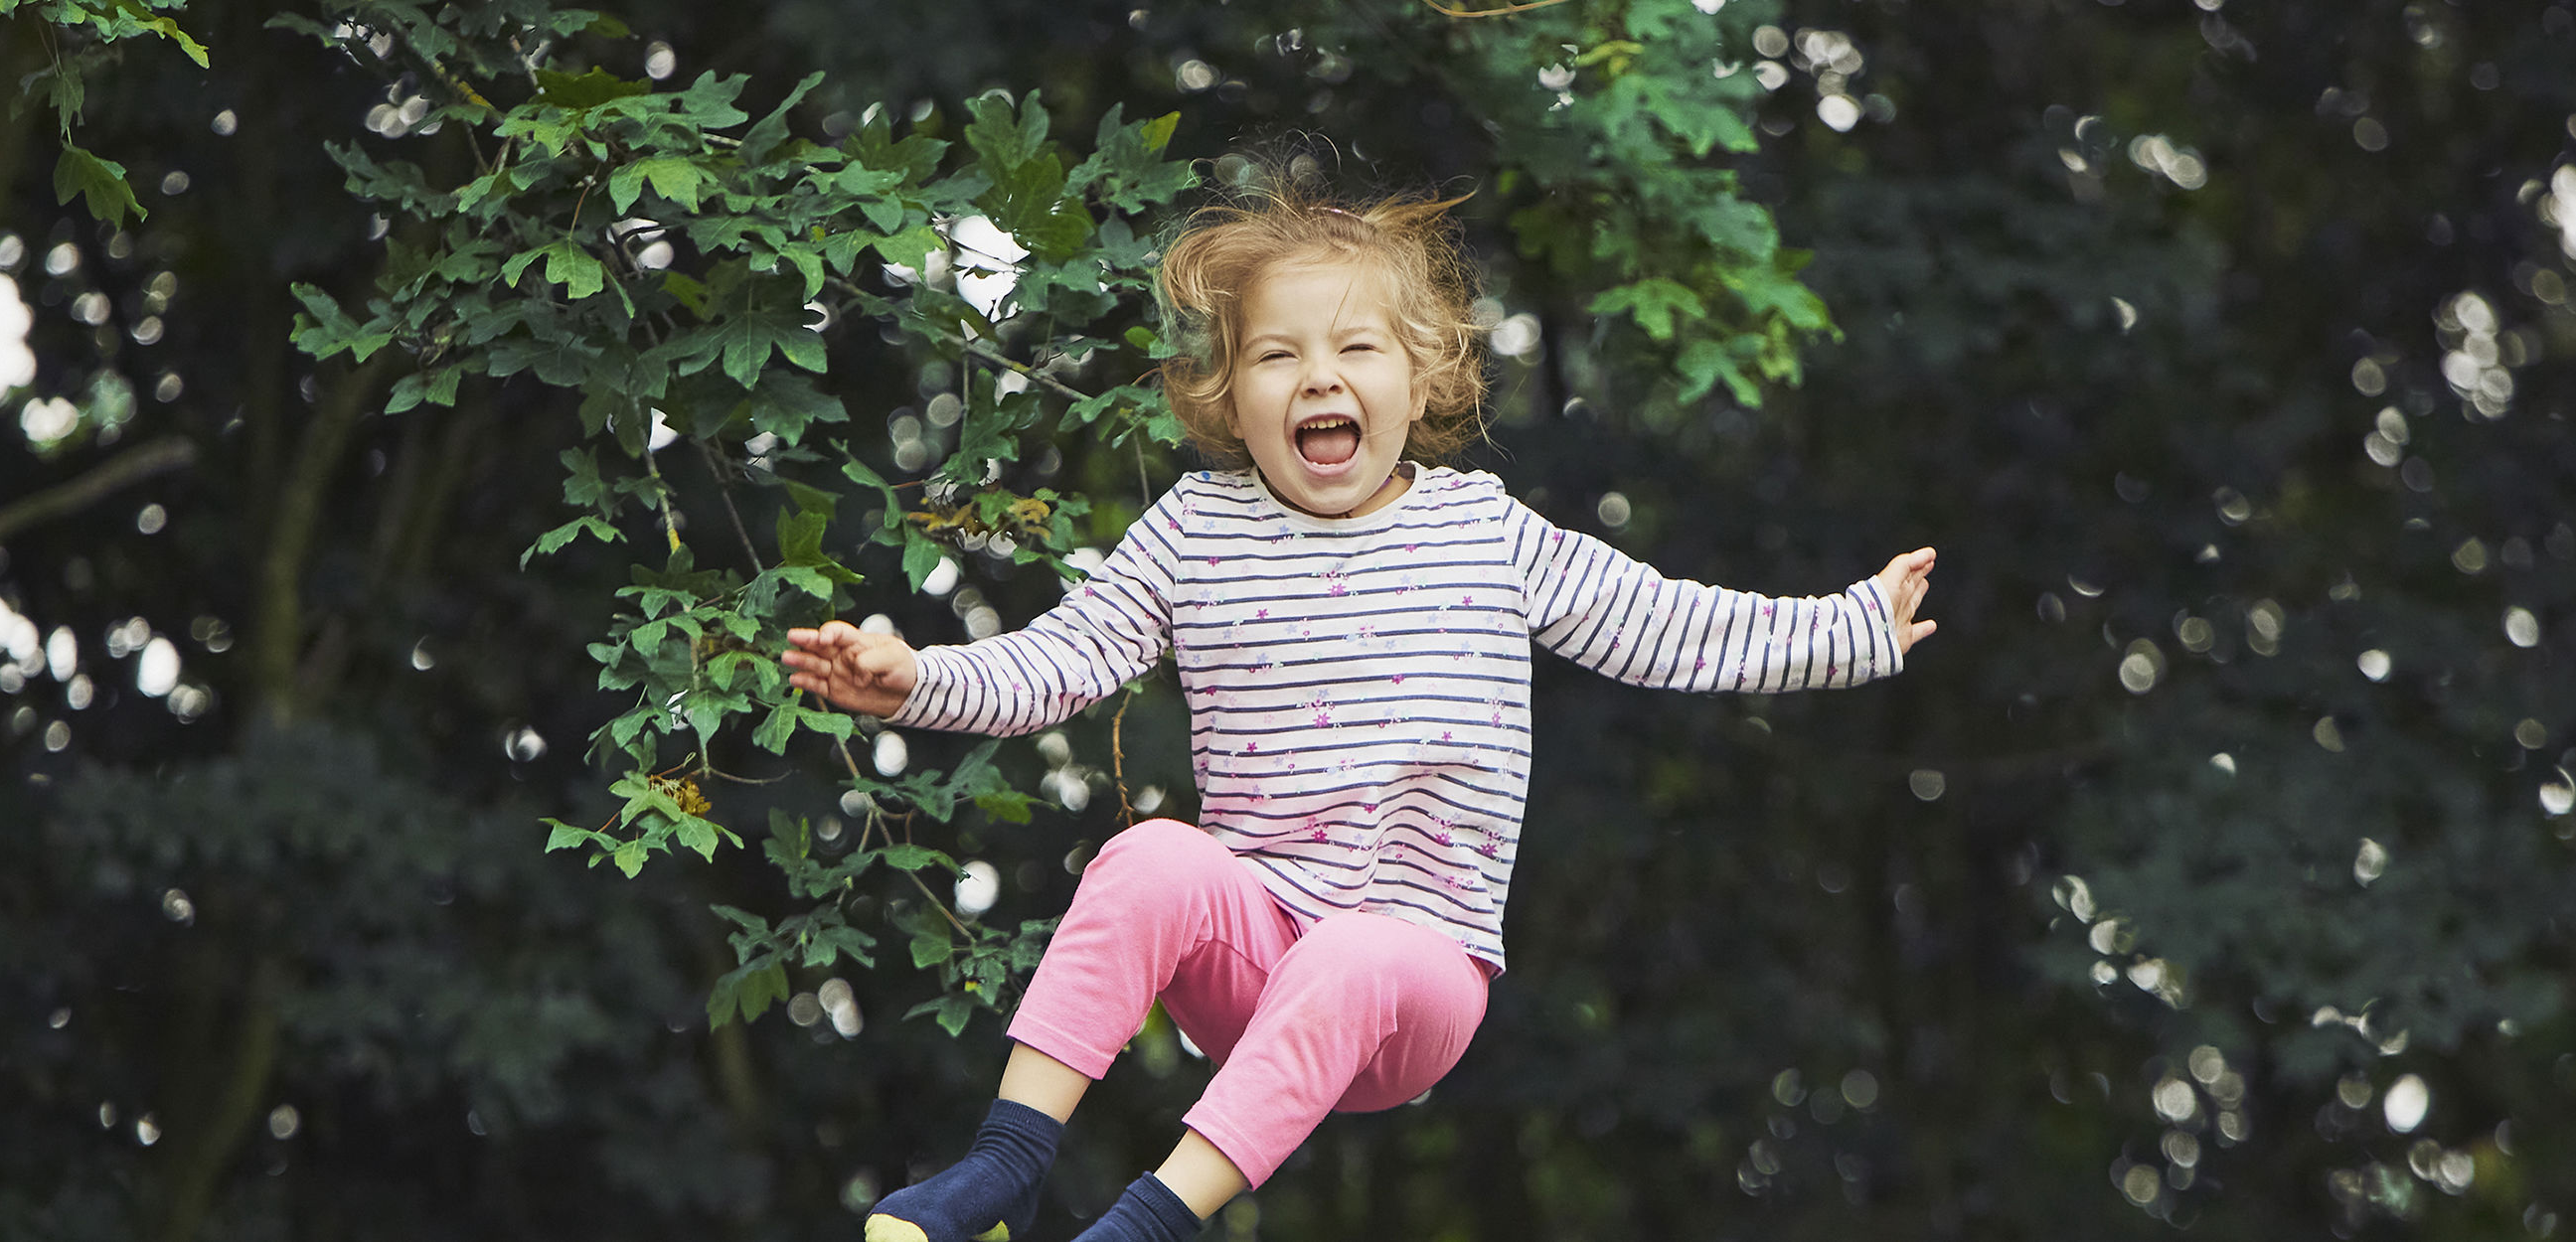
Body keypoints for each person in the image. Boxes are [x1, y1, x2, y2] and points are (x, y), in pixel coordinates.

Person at [784, 186, 1940, 1242]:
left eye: (1355, 348)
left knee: (1357, 946)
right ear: (1231, 398)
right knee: (1145, 859)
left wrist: (1849, 629)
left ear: (1421, 376)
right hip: (1255, 951)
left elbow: (1665, 624)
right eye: (1277, 355)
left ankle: (1147, 1223)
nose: (1318, 377)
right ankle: (1005, 1162)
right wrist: (916, 676)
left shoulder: (1483, 531)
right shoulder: (1197, 530)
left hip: (1416, 978)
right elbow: (1059, 662)